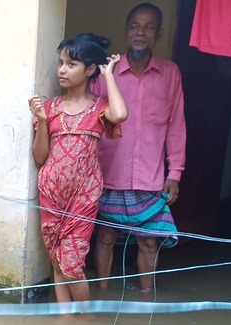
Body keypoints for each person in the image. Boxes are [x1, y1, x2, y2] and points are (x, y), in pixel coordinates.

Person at [92, 3, 186, 293]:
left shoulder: (170, 74)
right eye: (134, 25)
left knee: (149, 240)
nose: (140, 32)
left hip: (150, 176)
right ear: (125, 31)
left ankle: (147, 298)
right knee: (106, 237)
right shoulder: (105, 74)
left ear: (158, 33)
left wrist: (176, 173)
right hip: (109, 172)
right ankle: (103, 294)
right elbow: (90, 122)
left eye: (148, 27)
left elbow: (176, 125)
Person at [28, 34, 127, 304]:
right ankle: (64, 322)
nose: (61, 69)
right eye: (61, 63)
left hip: (83, 197)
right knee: (57, 264)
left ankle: (84, 321)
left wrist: (109, 76)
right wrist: (40, 120)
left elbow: (120, 115)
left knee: (72, 265)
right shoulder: (50, 108)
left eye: (71, 64)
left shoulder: (99, 108)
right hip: (51, 194)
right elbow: (40, 157)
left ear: (90, 69)